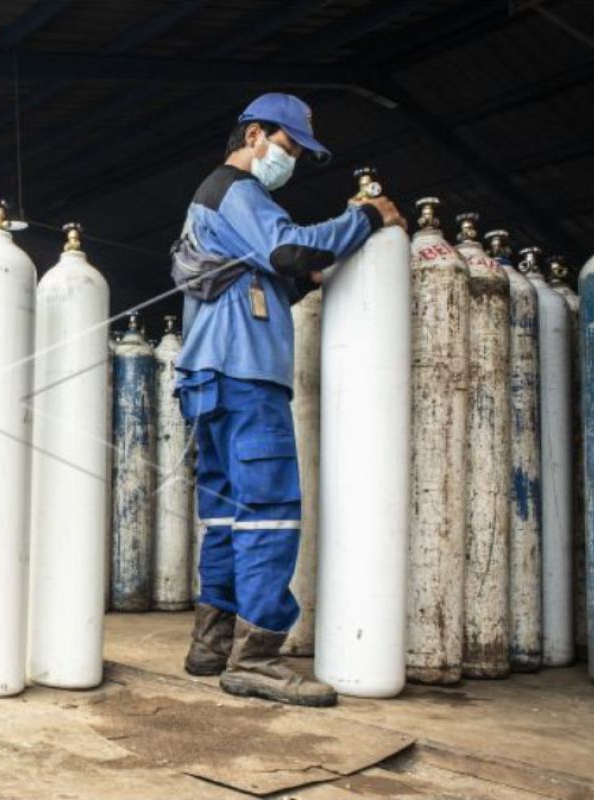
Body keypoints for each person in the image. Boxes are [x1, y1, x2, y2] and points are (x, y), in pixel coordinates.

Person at [173, 93, 404, 706]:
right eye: (289, 145)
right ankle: (258, 657)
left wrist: (307, 277)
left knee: (224, 511)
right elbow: (290, 251)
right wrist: (367, 218)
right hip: (244, 374)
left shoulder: (212, 206)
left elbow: (276, 274)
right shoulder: (237, 192)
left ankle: (212, 643)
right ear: (254, 135)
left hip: (207, 377)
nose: (292, 158)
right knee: (270, 508)